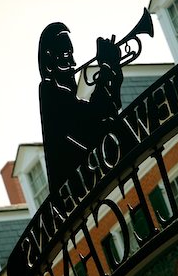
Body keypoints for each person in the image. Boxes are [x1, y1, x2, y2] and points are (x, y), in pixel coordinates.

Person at [38, 22, 123, 193]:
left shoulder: (67, 100)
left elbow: (109, 115)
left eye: (71, 55)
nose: (73, 62)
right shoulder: (50, 94)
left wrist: (115, 75)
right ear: (49, 62)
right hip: (73, 193)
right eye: (65, 55)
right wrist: (106, 68)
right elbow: (89, 129)